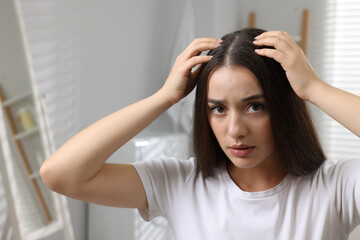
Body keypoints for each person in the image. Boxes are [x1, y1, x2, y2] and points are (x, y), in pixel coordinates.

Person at [40, 28, 360, 240]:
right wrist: (163, 98)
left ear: (283, 107)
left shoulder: (336, 188)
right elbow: (60, 174)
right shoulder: (180, 183)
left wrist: (314, 88)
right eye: (218, 109)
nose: (235, 130)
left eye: (254, 107)